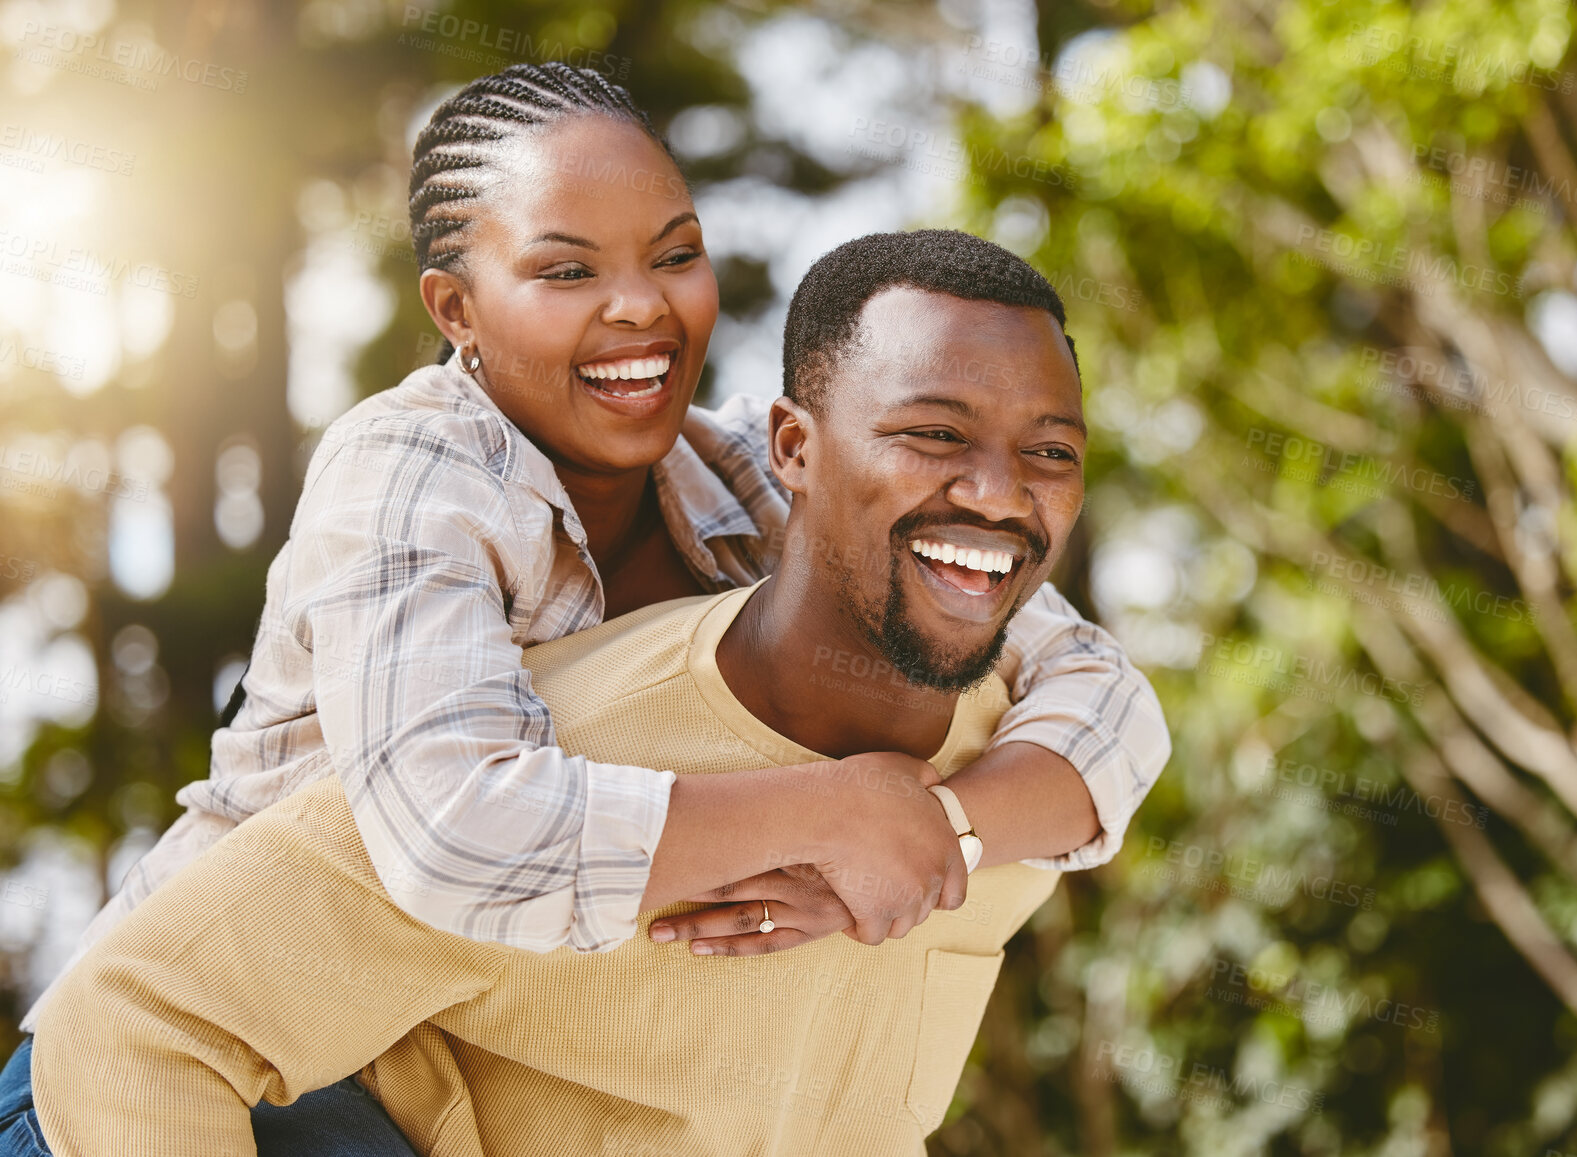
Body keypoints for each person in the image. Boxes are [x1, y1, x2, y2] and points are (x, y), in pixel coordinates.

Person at [32, 228, 1113, 1156]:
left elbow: (1116, 710)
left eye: (1049, 449)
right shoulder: (530, 763)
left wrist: (954, 829)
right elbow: (137, 1017)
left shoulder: (1027, 767)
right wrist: (828, 813)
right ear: (793, 446)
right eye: (933, 433)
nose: (996, 490)